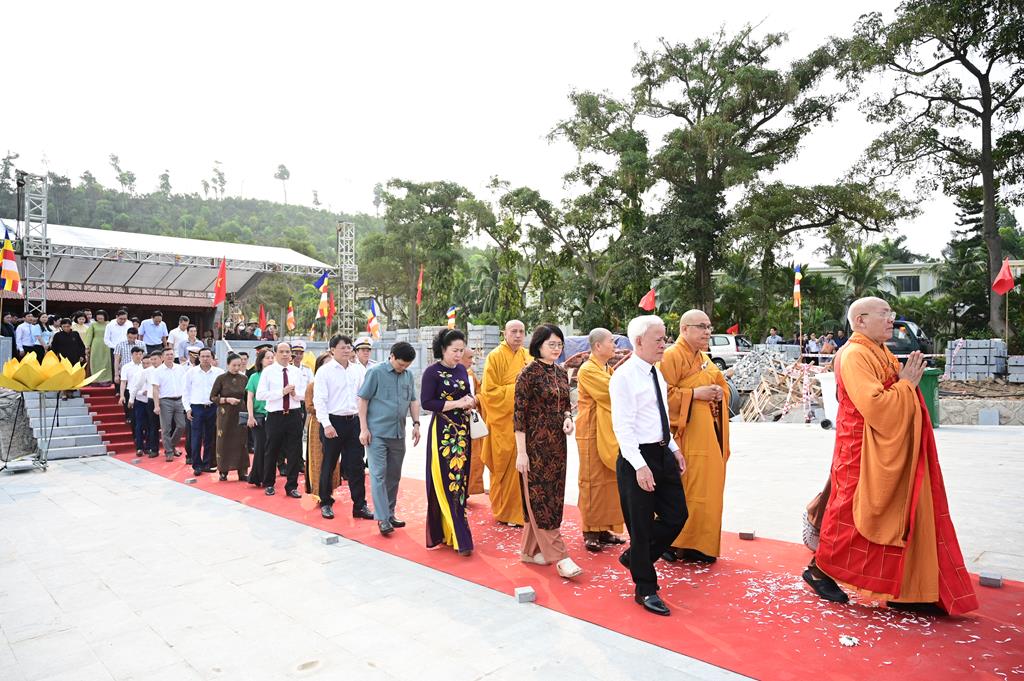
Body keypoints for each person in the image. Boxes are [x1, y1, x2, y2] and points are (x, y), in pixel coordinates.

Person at [804, 297, 978, 616]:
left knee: (890, 514)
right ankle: (819, 570)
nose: (890, 321)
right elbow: (876, 406)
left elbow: (893, 395)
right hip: (861, 448)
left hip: (886, 445)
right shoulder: (855, 354)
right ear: (860, 321)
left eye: (891, 314)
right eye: (884, 315)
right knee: (851, 515)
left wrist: (904, 384)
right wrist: (906, 384)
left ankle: (903, 586)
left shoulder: (880, 351)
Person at [609, 315, 688, 617]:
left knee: (677, 514)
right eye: (658, 338)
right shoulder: (624, 377)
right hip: (635, 457)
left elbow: (660, 417)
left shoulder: (657, 373)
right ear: (639, 341)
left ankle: (636, 558)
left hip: (661, 452)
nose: (663, 343)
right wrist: (640, 466)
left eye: (664, 337)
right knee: (640, 527)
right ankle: (645, 589)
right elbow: (623, 427)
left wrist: (674, 448)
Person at [660, 310, 731, 564]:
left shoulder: (703, 358)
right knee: (684, 490)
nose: (707, 331)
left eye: (709, 326)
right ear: (684, 329)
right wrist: (695, 393)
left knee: (708, 489)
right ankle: (674, 542)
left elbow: (722, 386)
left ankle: (699, 544)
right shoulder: (671, 356)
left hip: (707, 436)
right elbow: (661, 397)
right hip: (683, 437)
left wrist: (720, 394)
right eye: (701, 327)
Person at [514, 324, 582, 578]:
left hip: (557, 446)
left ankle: (529, 552)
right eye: (551, 344)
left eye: (559, 345)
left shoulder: (561, 373)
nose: (556, 349)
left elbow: (565, 404)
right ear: (538, 345)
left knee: (552, 496)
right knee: (540, 498)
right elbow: (518, 417)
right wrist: (522, 453)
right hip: (534, 446)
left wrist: (567, 418)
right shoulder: (527, 374)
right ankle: (560, 556)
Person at [358, 341, 420, 535]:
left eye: (406, 366)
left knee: (394, 475)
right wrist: (363, 429)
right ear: (391, 356)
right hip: (377, 433)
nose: (403, 368)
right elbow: (363, 400)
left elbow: (413, 400)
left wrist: (416, 423)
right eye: (400, 364)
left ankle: (390, 513)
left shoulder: (408, 375)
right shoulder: (375, 373)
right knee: (378, 474)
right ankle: (383, 518)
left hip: (398, 433)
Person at [422, 329, 475, 554]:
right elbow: (427, 402)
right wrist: (456, 404)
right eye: (454, 350)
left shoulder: (463, 369)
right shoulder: (432, 373)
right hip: (443, 431)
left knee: (461, 481)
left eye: (461, 350)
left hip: (463, 431)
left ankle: (454, 531)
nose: (458, 354)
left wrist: (471, 401)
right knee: (446, 480)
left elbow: (468, 395)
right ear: (442, 349)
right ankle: (457, 535)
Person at [575, 328, 626, 552]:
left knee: (609, 482)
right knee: (592, 481)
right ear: (598, 346)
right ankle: (590, 531)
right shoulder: (587, 369)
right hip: (591, 432)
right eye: (611, 342)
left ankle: (604, 529)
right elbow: (611, 393)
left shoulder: (608, 368)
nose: (614, 346)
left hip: (608, 432)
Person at [479, 319, 531, 526]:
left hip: (524, 423)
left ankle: (522, 512)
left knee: (523, 468)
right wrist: (517, 388)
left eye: (521, 331)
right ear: (504, 333)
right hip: (502, 423)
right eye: (514, 331)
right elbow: (489, 393)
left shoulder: (527, 356)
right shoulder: (495, 356)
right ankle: (505, 512)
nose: (518, 335)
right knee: (504, 468)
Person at [313, 335, 368, 518]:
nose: (347, 350)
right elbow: (319, 399)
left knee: (356, 465)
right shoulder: (325, 371)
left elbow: (363, 397)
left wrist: (363, 423)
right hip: (333, 422)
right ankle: (326, 502)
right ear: (332, 350)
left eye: (349, 347)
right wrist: (326, 424)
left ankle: (359, 505)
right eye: (343, 347)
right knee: (329, 463)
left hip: (353, 422)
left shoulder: (358, 370)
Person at [255, 341, 309, 497]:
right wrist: (282, 392)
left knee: (294, 450)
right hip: (275, 415)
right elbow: (260, 395)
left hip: (293, 414)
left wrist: (294, 394)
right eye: (282, 351)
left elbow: (304, 394)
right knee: (272, 450)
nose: (286, 355)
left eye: (288, 352)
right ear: (276, 353)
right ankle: (269, 483)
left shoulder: (296, 371)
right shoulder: (268, 371)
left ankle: (292, 486)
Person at [183, 348, 223, 475]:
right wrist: (188, 409)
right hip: (196, 408)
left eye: (208, 356)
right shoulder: (191, 373)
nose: (205, 359)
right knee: (196, 437)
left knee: (210, 437)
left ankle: (207, 463)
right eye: (203, 356)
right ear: (198, 358)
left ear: (212, 358)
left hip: (213, 407)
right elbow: (185, 392)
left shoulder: (219, 373)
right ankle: (197, 465)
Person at [209, 353, 249, 482]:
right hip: (225, 413)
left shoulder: (244, 378)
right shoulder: (221, 378)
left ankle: (242, 471)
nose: (236, 368)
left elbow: (248, 397)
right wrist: (227, 399)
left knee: (241, 442)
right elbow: (213, 397)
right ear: (227, 365)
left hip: (240, 413)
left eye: (239, 365)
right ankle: (223, 471)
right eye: (234, 365)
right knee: (224, 441)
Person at [305, 353, 340, 497]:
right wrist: (324, 409)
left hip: (334, 422)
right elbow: (309, 406)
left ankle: (330, 489)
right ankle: (318, 490)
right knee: (317, 457)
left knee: (333, 458)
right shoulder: (312, 385)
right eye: (326, 364)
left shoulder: (337, 383)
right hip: (317, 423)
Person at [151, 346, 189, 461]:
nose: (170, 356)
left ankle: (171, 445)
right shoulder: (158, 371)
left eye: (171, 354)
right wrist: (156, 405)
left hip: (179, 400)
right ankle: (169, 452)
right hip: (165, 401)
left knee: (182, 425)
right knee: (166, 428)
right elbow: (155, 389)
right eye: (167, 355)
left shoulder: (180, 368)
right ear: (162, 357)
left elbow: (185, 385)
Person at [245, 348, 275, 487]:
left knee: (271, 448)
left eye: (272, 357)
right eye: (267, 357)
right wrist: (250, 416)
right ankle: (256, 476)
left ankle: (268, 476)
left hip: (274, 416)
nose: (271, 360)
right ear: (261, 360)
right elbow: (250, 398)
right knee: (259, 447)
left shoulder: (277, 376)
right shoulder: (254, 377)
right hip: (258, 416)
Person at [460, 345, 486, 496]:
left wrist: (475, 400)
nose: (472, 361)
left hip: (471, 420)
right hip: (456, 422)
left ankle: (468, 490)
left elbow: (480, 394)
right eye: (469, 358)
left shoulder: (470, 375)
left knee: (474, 457)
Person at [128, 352, 160, 457]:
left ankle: (150, 446)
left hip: (155, 401)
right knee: (140, 425)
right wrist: (131, 399)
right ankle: (140, 447)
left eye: (149, 363)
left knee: (152, 426)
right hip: (141, 401)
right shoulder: (142, 373)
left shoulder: (159, 371)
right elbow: (135, 387)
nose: (146, 365)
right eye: (144, 363)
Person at [117, 346, 147, 453]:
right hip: (131, 393)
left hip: (146, 395)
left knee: (146, 421)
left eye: (140, 354)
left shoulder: (145, 366)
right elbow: (123, 382)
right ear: (132, 355)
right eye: (136, 354)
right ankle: (137, 440)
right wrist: (122, 395)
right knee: (134, 419)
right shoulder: (126, 367)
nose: (139, 356)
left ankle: (146, 442)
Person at [113, 328, 146, 422]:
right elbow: (116, 359)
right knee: (128, 393)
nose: (132, 339)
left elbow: (146, 357)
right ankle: (128, 416)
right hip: (126, 369)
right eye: (130, 337)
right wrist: (116, 374)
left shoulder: (141, 344)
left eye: (134, 337)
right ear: (127, 335)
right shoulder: (120, 344)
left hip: (140, 369)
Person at [50, 318, 87, 399]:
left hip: (74, 358)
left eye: (68, 326)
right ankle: (63, 392)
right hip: (63, 359)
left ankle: (71, 391)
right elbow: (53, 348)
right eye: (64, 326)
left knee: (73, 375)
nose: (66, 328)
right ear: (61, 326)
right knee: (64, 376)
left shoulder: (75, 334)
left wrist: (82, 356)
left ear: (71, 326)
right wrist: (54, 358)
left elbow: (81, 346)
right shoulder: (57, 335)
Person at [83, 311, 111, 383]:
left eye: (101, 316)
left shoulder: (109, 324)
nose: (100, 317)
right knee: (95, 361)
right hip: (96, 345)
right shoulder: (93, 325)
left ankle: (107, 378)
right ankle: (95, 379)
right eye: (98, 316)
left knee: (107, 361)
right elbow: (89, 335)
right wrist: (87, 346)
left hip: (107, 345)